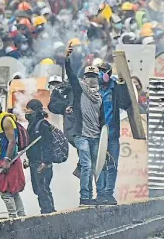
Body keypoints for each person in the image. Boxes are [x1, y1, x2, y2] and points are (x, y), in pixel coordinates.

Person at [65, 44, 104, 206]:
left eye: (94, 76)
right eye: (88, 76)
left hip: (96, 135)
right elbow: (71, 76)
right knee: (86, 165)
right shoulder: (80, 89)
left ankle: (95, 196)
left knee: (96, 167)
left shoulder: (101, 95)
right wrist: (67, 60)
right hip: (81, 135)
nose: (91, 79)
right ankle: (84, 197)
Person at [96, 62, 131, 205]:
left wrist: (122, 86)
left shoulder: (115, 87)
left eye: (102, 71)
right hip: (97, 133)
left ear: (108, 73)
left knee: (112, 165)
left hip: (112, 133)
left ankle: (109, 194)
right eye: (98, 70)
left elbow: (125, 103)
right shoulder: (93, 88)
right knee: (98, 165)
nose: (99, 74)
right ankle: (100, 193)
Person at [24, 99, 56, 214]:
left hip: (42, 163)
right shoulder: (32, 124)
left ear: (35, 110)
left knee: (43, 189)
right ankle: (47, 211)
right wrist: (28, 160)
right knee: (38, 189)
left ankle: (48, 212)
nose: (26, 111)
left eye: (29, 109)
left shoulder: (42, 124)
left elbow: (48, 144)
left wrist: (45, 162)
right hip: (34, 162)